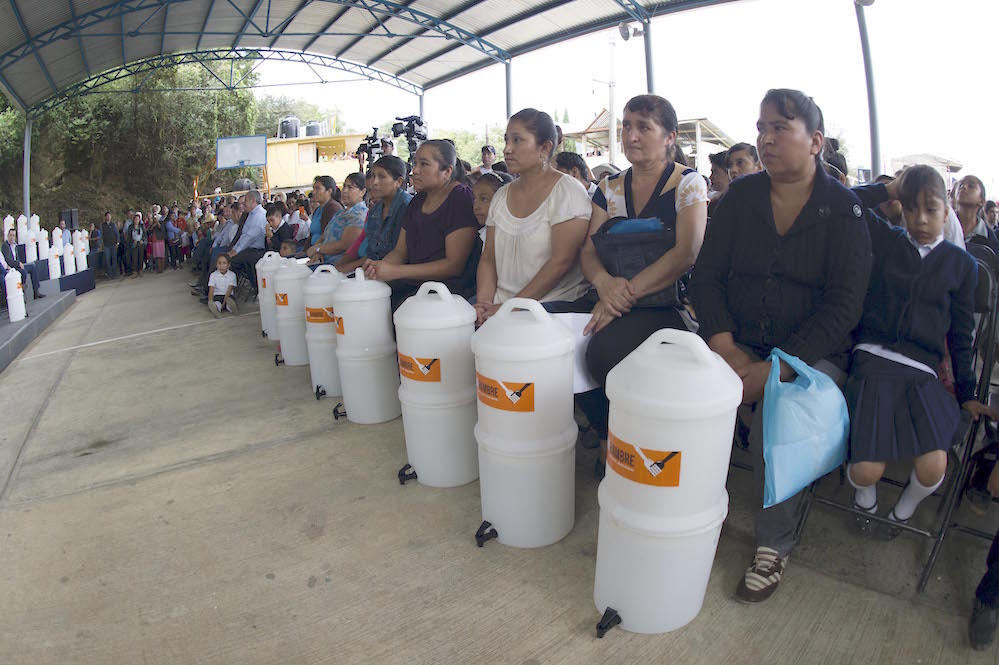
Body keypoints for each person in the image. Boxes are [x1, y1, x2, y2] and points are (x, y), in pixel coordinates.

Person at [691, 88, 872, 603]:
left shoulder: (843, 211)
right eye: (761, 128)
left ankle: (773, 544)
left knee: (781, 409)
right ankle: (685, 506)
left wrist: (779, 369)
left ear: (815, 141)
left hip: (812, 358)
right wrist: (725, 346)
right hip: (733, 340)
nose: (765, 139)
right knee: (681, 386)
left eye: (780, 128)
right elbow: (706, 278)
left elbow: (843, 306)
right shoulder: (740, 198)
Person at [843, 165, 996, 540]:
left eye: (931, 209)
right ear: (902, 209)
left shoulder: (962, 266)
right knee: (866, 471)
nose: (922, 219)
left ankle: (902, 512)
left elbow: (961, 335)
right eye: (912, 209)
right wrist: (887, 189)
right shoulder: (887, 241)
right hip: (873, 360)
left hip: (922, 372)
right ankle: (865, 503)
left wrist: (968, 393)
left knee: (933, 467)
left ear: (948, 211)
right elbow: (844, 200)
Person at [565, 94, 708, 469]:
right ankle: (608, 433)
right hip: (612, 294)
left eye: (644, 126)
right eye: (627, 125)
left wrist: (620, 296)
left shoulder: (688, 185)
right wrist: (603, 285)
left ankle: (625, 445)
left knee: (601, 352)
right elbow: (589, 252)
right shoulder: (609, 188)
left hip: (665, 303)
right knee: (562, 341)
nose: (632, 135)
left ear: (669, 137)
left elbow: (685, 254)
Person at [474, 108, 591, 325]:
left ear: (544, 147)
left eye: (517, 140)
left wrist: (510, 307)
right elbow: (488, 257)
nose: (507, 149)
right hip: (501, 304)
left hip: (553, 305)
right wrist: (483, 305)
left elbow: (561, 262)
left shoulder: (568, 192)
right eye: (506, 140)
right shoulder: (501, 196)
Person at [364, 140, 478, 308]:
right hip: (413, 287)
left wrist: (396, 271)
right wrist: (379, 267)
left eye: (424, 164)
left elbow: (453, 265)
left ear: (447, 171)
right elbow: (400, 252)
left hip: (447, 294)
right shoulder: (417, 201)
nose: (415, 170)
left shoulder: (460, 198)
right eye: (414, 163)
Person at [337, 155, 412, 274]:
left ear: (398, 181)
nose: (374, 182)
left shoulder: (407, 207)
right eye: (373, 176)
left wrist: (368, 270)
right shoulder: (375, 210)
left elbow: (399, 254)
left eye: (381, 177)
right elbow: (371, 252)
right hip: (373, 270)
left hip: (396, 275)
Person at [307, 172, 367, 266]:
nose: (345, 191)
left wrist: (318, 248)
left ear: (362, 192)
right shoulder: (341, 213)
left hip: (337, 267)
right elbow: (323, 236)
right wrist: (318, 251)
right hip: (322, 261)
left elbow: (345, 245)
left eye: (350, 187)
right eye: (344, 186)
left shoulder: (359, 214)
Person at [227, 190, 268, 297]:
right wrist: (234, 249)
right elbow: (243, 235)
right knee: (225, 258)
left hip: (256, 250)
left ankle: (228, 294)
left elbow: (249, 237)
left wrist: (236, 251)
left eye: (245, 201)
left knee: (232, 261)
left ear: (252, 200)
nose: (243, 204)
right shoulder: (250, 214)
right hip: (248, 248)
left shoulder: (259, 215)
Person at [956, 175, 999, 256]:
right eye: (961, 184)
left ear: (982, 201)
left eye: (971, 186)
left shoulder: (988, 237)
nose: (963, 187)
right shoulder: (942, 225)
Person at [472, 172, 513, 246]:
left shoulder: (509, 240)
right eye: (474, 198)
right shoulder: (480, 235)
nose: (476, 207)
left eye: (484, 199)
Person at [2, 229, 44, 299]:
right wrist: (18, 264)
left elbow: (17, 257)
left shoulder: (15, 245)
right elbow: (8, 260)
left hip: (18, 266)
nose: (12, 237)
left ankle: (36, 291)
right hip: (11, 268)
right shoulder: (5, 246)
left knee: (32, 267)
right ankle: (22, 291)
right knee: (23, 272)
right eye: (11, 235)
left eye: (13, 236)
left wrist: (19, 264)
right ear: (8, 236)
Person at [309, 176, 345, 245]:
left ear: (329, 191)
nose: (313, 192)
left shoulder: (332, 208)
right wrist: (305, 250)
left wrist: (317, 250)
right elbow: (312, 234)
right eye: (313, 188)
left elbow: (330, 237)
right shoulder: (317, 209)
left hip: (323, 252)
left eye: (318, 189)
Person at [207, 253, 238, 318]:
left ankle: (232, 308)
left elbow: (229, 290)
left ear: (228, 265)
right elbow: (211, 290)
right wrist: (210, 301)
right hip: (217, 296)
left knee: (229, 305)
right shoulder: (213, 275)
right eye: (219, 263)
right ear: (216, 265)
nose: (221, 266)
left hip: (228, 296)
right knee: (217, 304)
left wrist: (223, 304)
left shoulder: (232, 275)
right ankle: (216, 311)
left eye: (224, 263)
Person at [130, 213, 145, 278]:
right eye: (135, 219)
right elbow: (129, 236)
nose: (136, 221)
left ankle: (140, 270)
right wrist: (133, 241)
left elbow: (144, 234)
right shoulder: (131, 227)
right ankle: (135, 271)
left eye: (138, 219)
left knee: (141, 257)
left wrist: (142, 240)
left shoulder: (141, 226)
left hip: (140, 243)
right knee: (134, 258)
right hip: (134, 244)